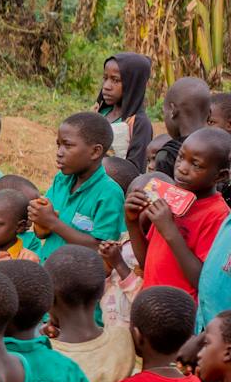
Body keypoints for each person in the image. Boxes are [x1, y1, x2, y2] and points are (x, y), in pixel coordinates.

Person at [125, 127, 231, 292]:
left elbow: (202, 281)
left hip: (180, 311)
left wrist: (169, 230)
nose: (182, 168)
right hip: (152, 301)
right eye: (181, 157)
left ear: (220, 176)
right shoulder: (171, 196)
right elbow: (146, 262)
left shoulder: (217, 215)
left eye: (195, 164)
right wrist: (132, 222)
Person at [31, 112, 125, 258]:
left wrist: (52, 222)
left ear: (95, 151)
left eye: (67, 145)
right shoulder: (61, 180)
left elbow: (101, 249)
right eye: (59, 145)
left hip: (76, 277)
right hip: (47, 266)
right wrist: (39, 218)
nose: (59, 153)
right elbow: (42, 232)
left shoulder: (109, 193)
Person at [99, 52, 155, 171]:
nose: (106, 86)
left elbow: (135, 169)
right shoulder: (100, 112)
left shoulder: (139, 123)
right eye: (105, 78)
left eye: (115, 80)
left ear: (133, 84)